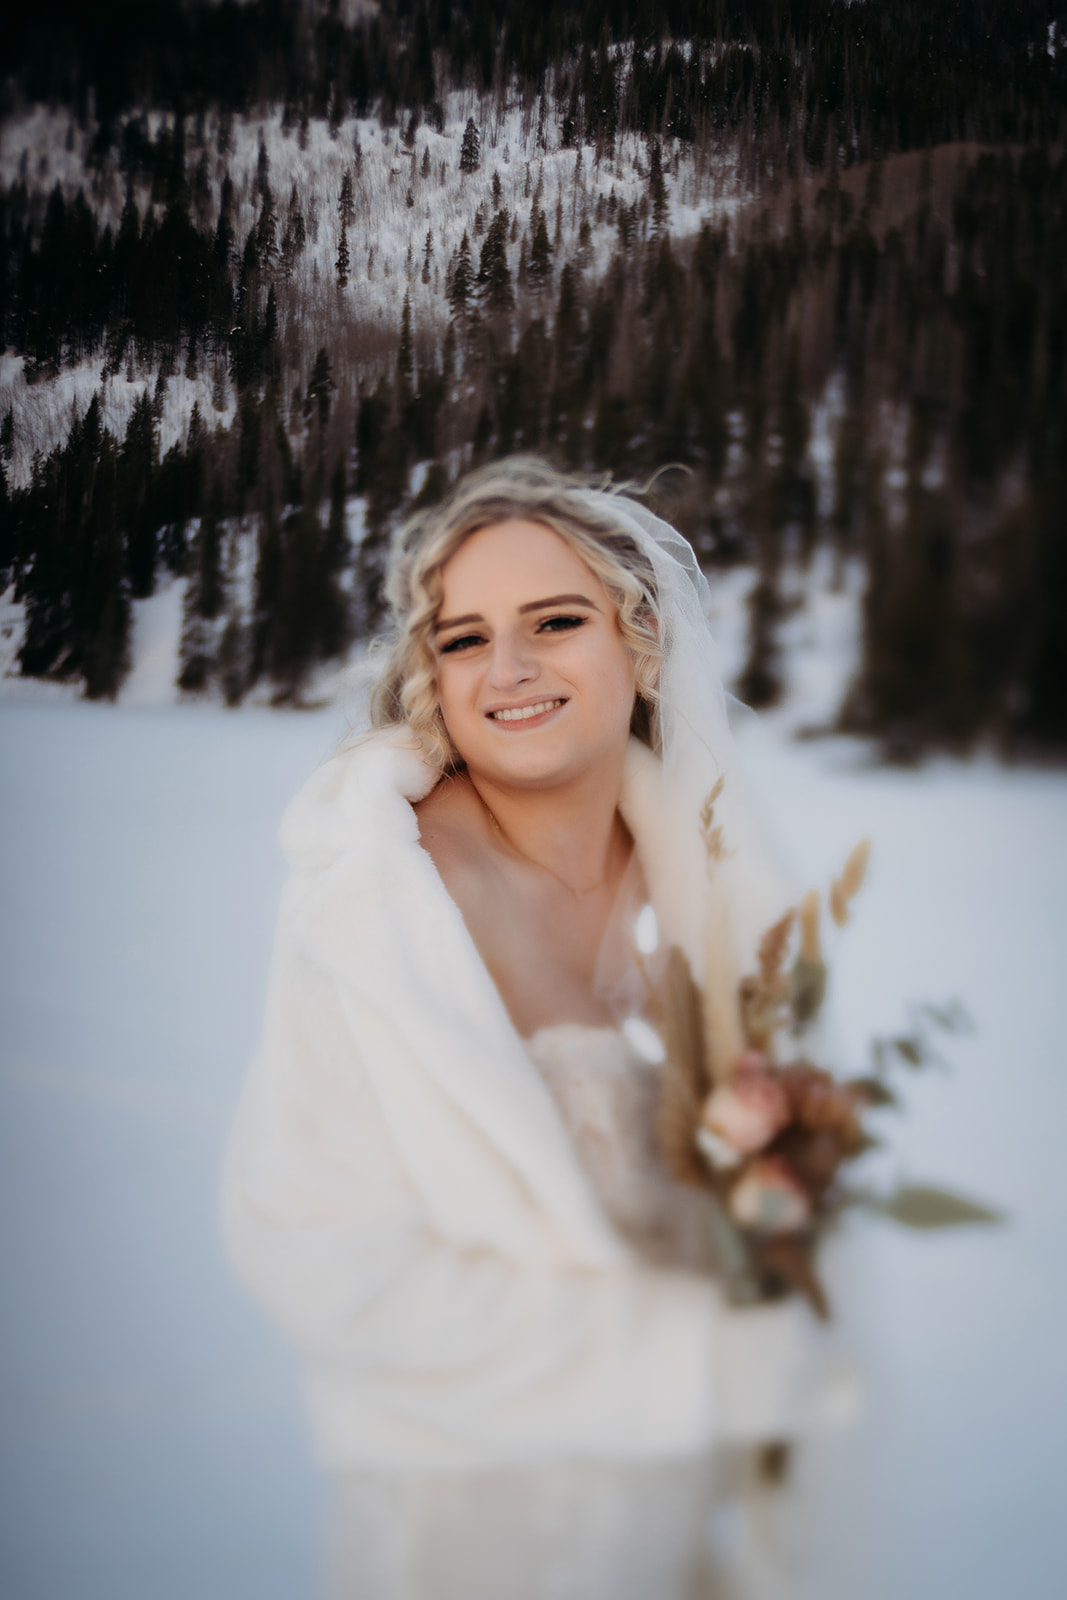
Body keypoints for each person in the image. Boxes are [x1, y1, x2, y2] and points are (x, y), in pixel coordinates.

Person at [222, 458, 839, 1600]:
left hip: (681, 1528)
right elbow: (318, 1257)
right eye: (461, 639)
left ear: (639, 643)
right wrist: (685, 1360)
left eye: (553, 621)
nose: (505, 669)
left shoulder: (711, 885)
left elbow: (794, 1202)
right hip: (472, 1532)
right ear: (432, 672)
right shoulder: (380, 902)